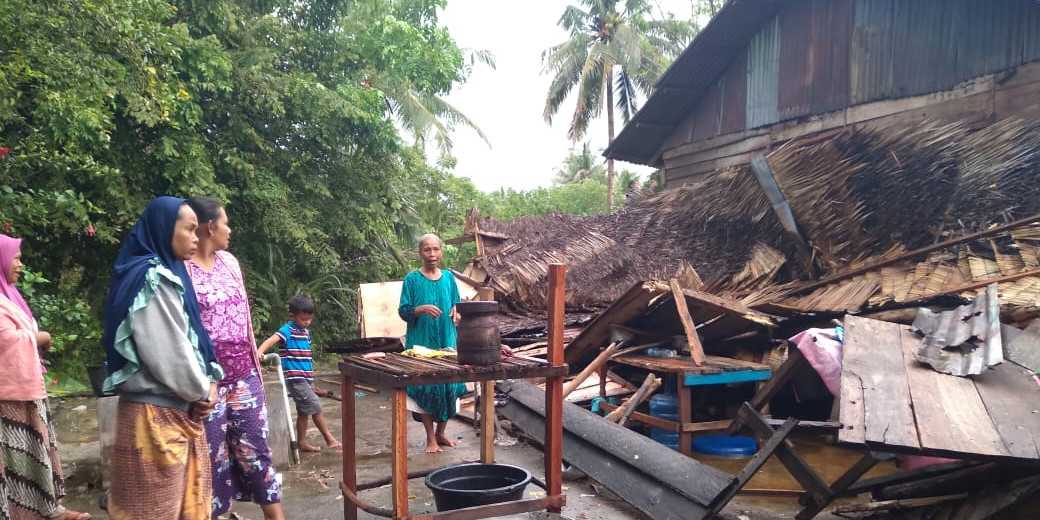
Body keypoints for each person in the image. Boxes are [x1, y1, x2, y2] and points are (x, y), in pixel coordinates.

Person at [101, 196, 223, 520]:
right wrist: (203, 390)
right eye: (190, 230)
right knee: (153, 510)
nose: (197, 239)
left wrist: (209, 382)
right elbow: (170, 354)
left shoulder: (169, 272)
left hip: (170, 412)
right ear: (164, 229)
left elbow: (193, 339)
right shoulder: (152, 279)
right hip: (154, 421)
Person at [184, 196, 284, 520]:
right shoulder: (181, 269)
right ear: (210, 227)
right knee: (210, 458)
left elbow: (244, 318)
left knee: (255, 448)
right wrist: (196, 382)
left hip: (244, 373)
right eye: (225, 222)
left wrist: (255, 361)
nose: (230, 229)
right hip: (206, 381)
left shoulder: (230, 262)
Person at [0, 234, 92, 520]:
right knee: (14, 458)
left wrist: (34, 338)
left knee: (32, 453)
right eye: (15, 257)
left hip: (26, 390)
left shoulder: (9, 296)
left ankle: (47, 509)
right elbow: (4, 340)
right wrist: (37, 337)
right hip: (8, 397)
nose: (20, 263)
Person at [397, 233, 467, 453]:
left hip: (447, 339)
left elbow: (457, 304)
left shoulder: (448, 278)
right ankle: (430, 439)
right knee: (426, 387)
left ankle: (441, 433)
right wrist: (421, 309)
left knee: (450, 385)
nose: (432, 254)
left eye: (436, 249)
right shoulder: (412, 279)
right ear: (420, 253)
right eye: (427, 250)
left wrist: (457, 311)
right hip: (421, 343)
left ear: (441, 252)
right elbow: (403, 311)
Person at [257, 295, 340, 453]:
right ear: (292, 316)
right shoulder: (287, 330)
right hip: (295, 379)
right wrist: (260, 351)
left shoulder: (305, 332)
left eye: (309, 319)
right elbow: (271, 340)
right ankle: (330, 439)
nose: (307, 322)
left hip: (307, 378)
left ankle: (301, 443)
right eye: (303, 319)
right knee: (315, 407)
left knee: (304, 412)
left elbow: (306, 354)